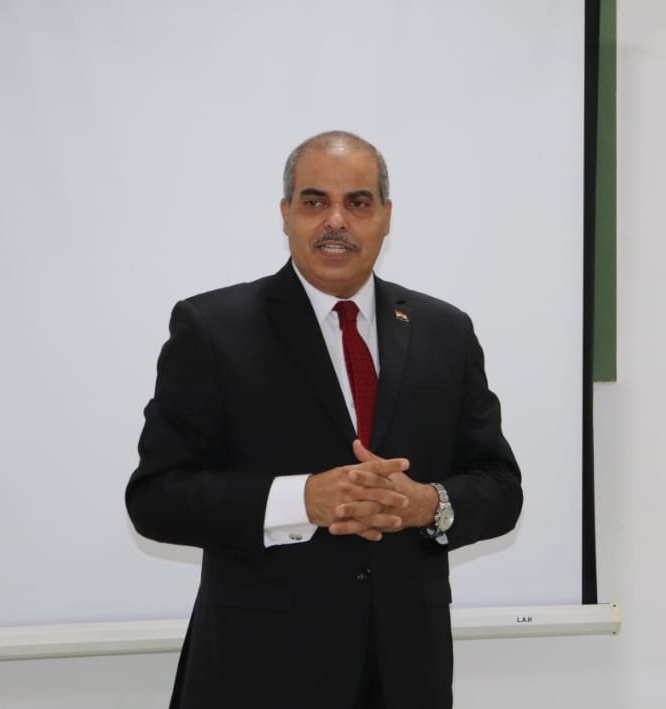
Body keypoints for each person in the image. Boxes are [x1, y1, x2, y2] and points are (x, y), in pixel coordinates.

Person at [126, 130, 522, 709]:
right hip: (258, 675)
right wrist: (302, 500)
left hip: (406, 674)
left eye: (358, 202)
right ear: (286, 214)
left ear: (386, 217)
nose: (336, 220)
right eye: (315, 202)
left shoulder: (446, 332)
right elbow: (156, 497)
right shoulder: (213, 329)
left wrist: (426, 504)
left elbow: (501, 487)